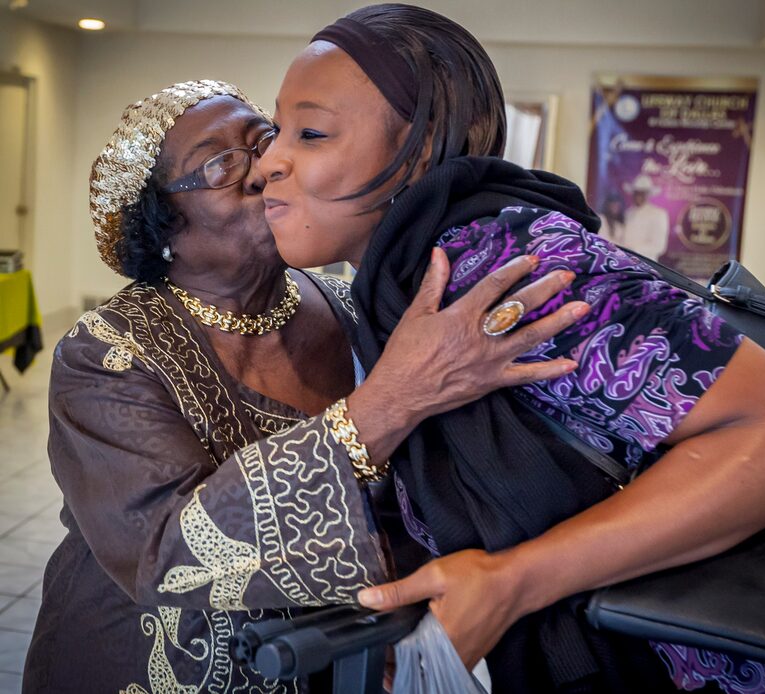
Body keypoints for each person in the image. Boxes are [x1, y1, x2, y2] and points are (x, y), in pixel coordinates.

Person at [257, 5, 765, 693]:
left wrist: (513, 581)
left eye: (311, 133)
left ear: (425, 142)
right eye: (275, 131)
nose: (267, 164)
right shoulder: (398, 291)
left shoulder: (500, 261)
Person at [22, 80, 586, 693]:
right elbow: (168, 552)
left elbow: (423, 487)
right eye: (220, 165)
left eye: (264, 141)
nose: (265, 170)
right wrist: (390, 400)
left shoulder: (352, 307)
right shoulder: (108, 351)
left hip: (334, 660)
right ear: (162, 227)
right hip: (145, 663)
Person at [622, 174, 670, 260]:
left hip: (646, 263)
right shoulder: (628, 213)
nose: (638, 196)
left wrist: (632, 250)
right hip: (625, 262)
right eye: (636, 192)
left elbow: (659, 246)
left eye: (642, 193)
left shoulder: (659, 214)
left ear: (648, 194)